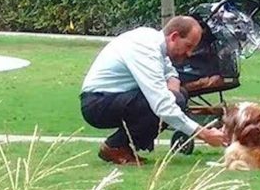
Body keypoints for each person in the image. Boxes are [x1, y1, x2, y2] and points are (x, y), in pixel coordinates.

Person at [80, 16, 225, 165]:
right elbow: (162, 105)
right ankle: (114, 146)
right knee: (167, 102)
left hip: (112, 97)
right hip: (97, 103)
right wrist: (204, 134)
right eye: (188, 46)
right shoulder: (145, 49)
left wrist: (174, 94)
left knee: (178, 96)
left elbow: (171, 73)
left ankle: (122, 146)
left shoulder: (154, 42)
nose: (189, 54)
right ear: (174, 37)